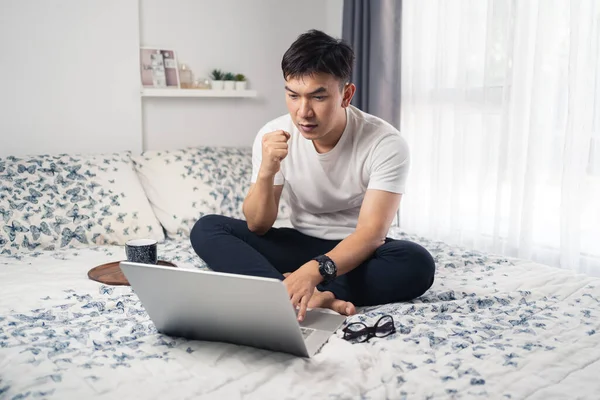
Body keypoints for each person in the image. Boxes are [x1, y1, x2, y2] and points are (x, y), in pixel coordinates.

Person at [191, 29, 435, 322]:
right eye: (293, 95)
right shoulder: (273, 134)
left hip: (354, 252)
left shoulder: (385, 143)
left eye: (318, 97)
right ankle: (304, 295)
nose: (303, 112)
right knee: (207, 228)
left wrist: (311, 272)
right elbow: (258, 225)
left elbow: (371, 235)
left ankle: (296, 290)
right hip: (298, 242)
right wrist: (268, 171)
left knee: (416, 262)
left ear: (346, 95)